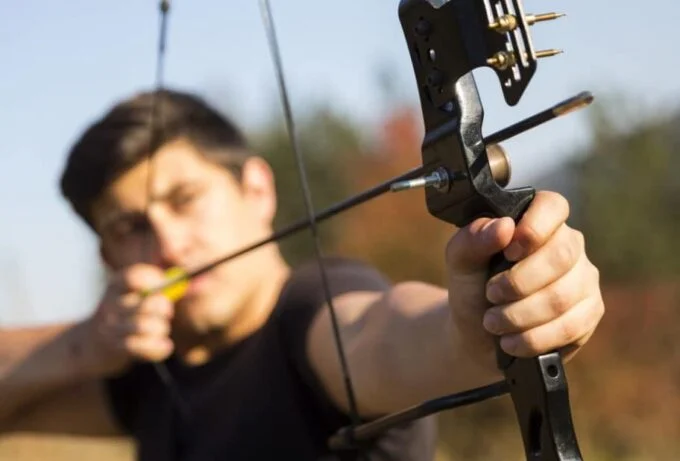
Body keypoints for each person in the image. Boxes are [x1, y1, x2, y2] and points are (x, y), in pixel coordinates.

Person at [0, 89, 604, 460]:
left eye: (185, 199)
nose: (169, 244)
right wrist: (85, 345)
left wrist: (477, 325)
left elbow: (383, 334)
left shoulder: (313, 310)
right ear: (109, 258)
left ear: (256, 188)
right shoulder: (151, 373)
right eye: (130, 228)